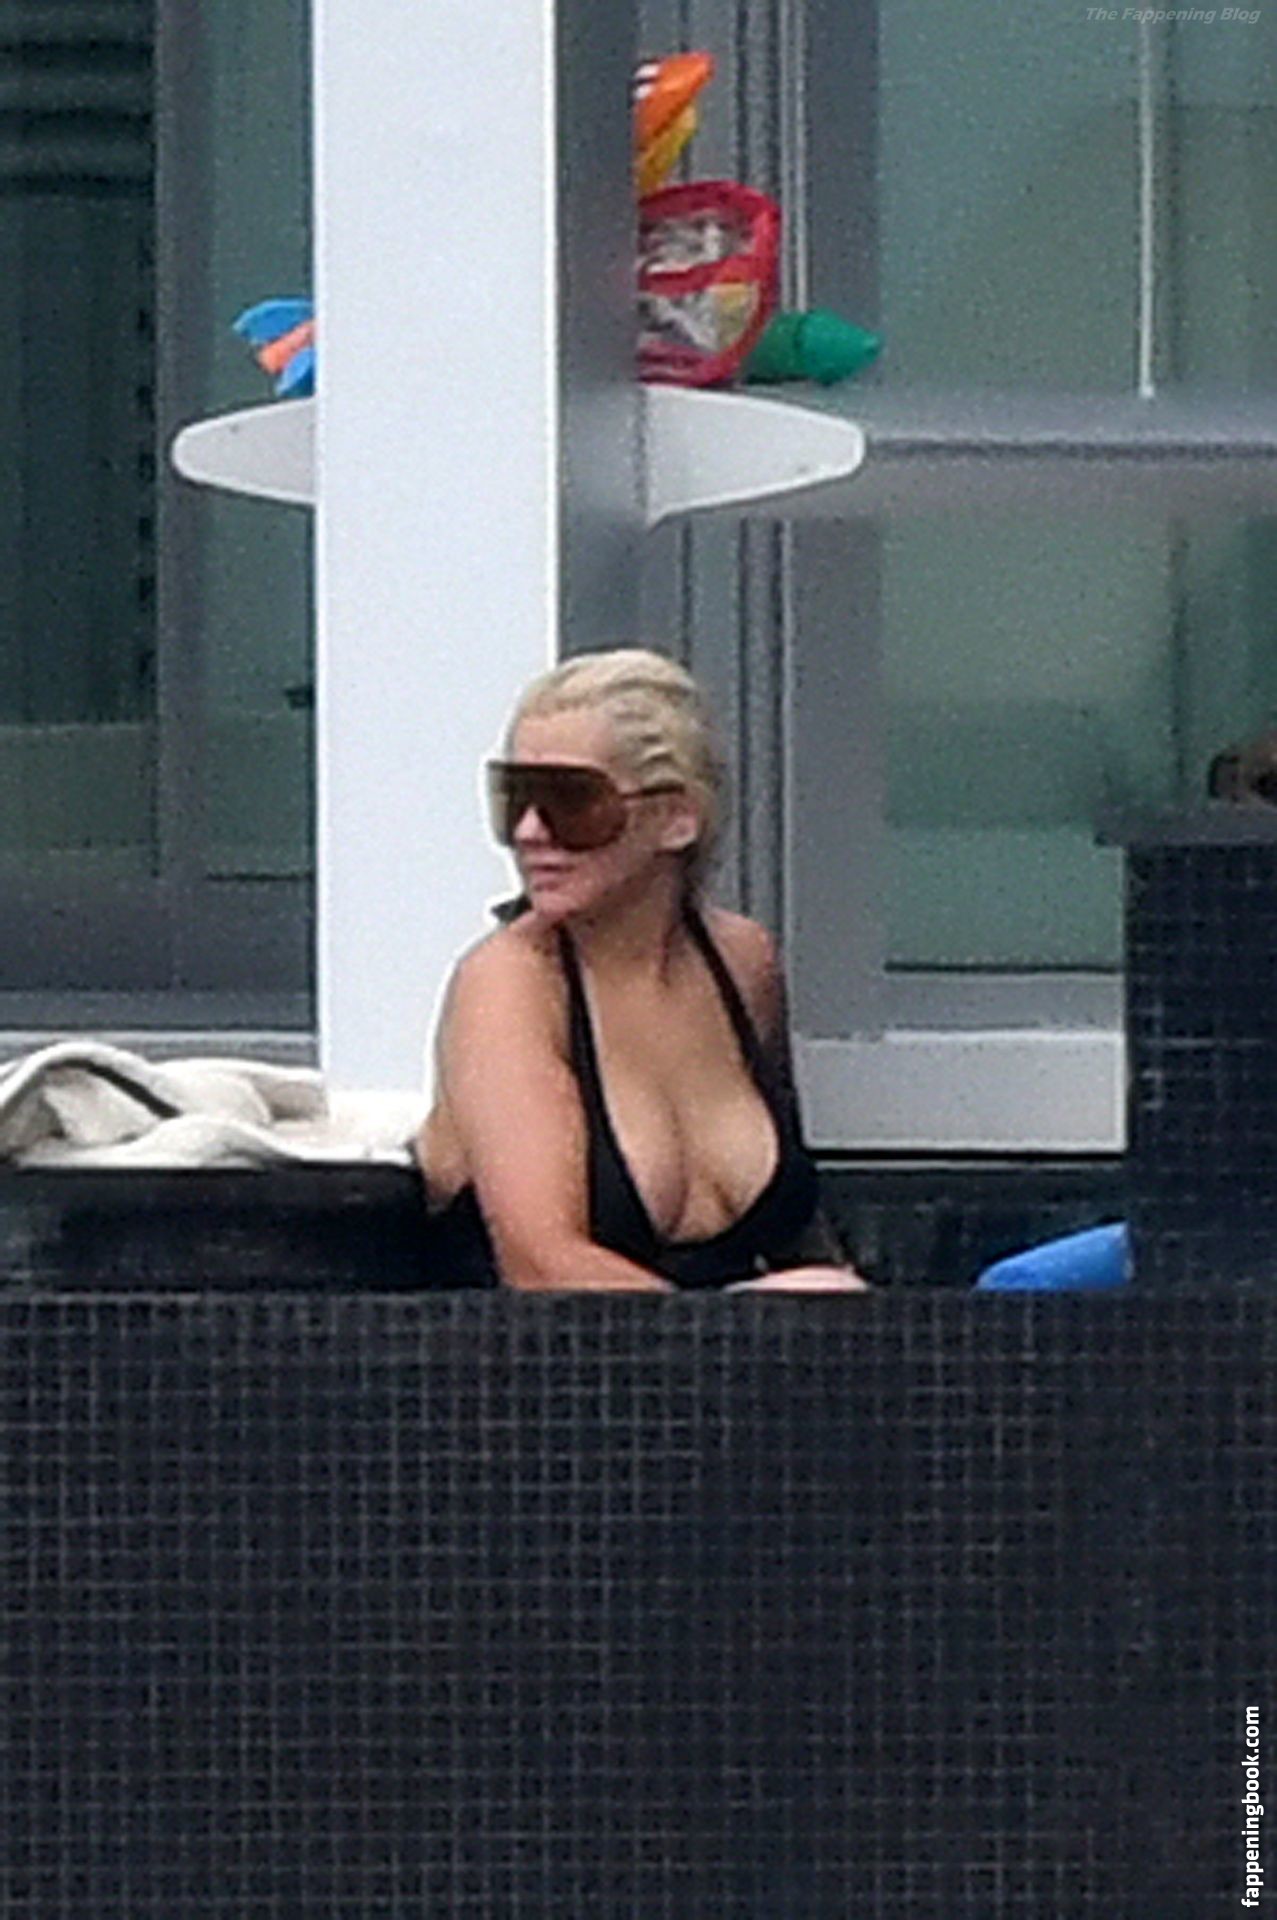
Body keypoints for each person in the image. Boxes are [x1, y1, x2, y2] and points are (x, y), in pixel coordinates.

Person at [415, 647, 869, 1294]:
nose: (530, 831)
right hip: (554, 1354)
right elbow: (542, 1265)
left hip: (727, 1344)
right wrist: (740, 1331)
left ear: (676, 819)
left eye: (573, 802)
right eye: (513, 798)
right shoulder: (509, 985)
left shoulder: (741, 963)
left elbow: (796, 1234)